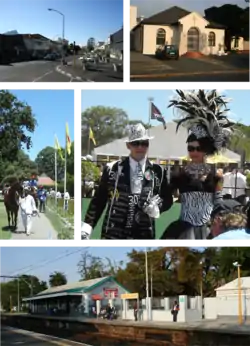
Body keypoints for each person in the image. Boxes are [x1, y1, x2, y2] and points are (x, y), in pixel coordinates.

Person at [161, 88, 235, 245]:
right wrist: (154, 206)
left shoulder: (217, 174)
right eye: (190, 148)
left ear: (206, 150)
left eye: (198, 148)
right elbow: (166, 199)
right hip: (181, 230)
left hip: (206, 229)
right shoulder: (179, 173)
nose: (193, 152)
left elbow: (218, 202)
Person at [82, 123, 173, 240]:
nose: (140, 147)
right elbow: (99, 201)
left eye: (144, 143)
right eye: (136, 143)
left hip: (144, 234)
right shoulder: (112, 169)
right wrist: (87, 226)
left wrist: (157, 207)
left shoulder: (158, 171)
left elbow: (167, 199)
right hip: (114, 232)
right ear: (128, 145)